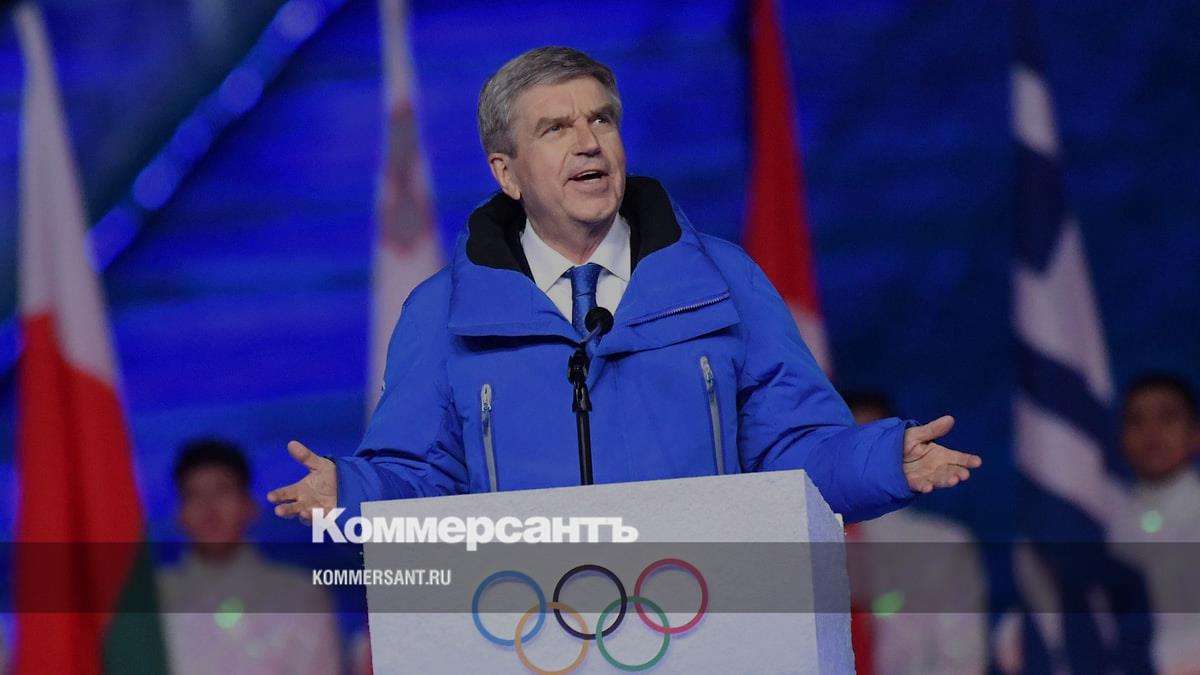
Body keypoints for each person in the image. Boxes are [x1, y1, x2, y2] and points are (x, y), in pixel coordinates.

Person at [267, 46, 981, 527]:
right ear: (507, 173)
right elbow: (423, 481)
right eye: (556, 128)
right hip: (528, 634)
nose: (589, 141)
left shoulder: (723, 278)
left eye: (601, 119)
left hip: (703, 621)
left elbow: (793, 450)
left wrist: (879, 459)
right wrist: (350, 493)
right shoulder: (440, 311)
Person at [158, 438, 342, 675]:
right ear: (178, 514)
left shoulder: (299, 596)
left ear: (249, 506)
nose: (209, 509)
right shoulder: (153, 599)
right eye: (194, 495)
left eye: (222, 491)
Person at [843, 391, 988, 675]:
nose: (862, 463)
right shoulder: (795, 546)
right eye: (851, 448)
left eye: (874, 448)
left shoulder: (941, 546)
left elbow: (962, 661)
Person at [1109, 373, 1200, 675]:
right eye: (1136, 421)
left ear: (1195, 434)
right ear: (1120, 438)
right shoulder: (1101, 524)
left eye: (1167, 417)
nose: (1151, 433)